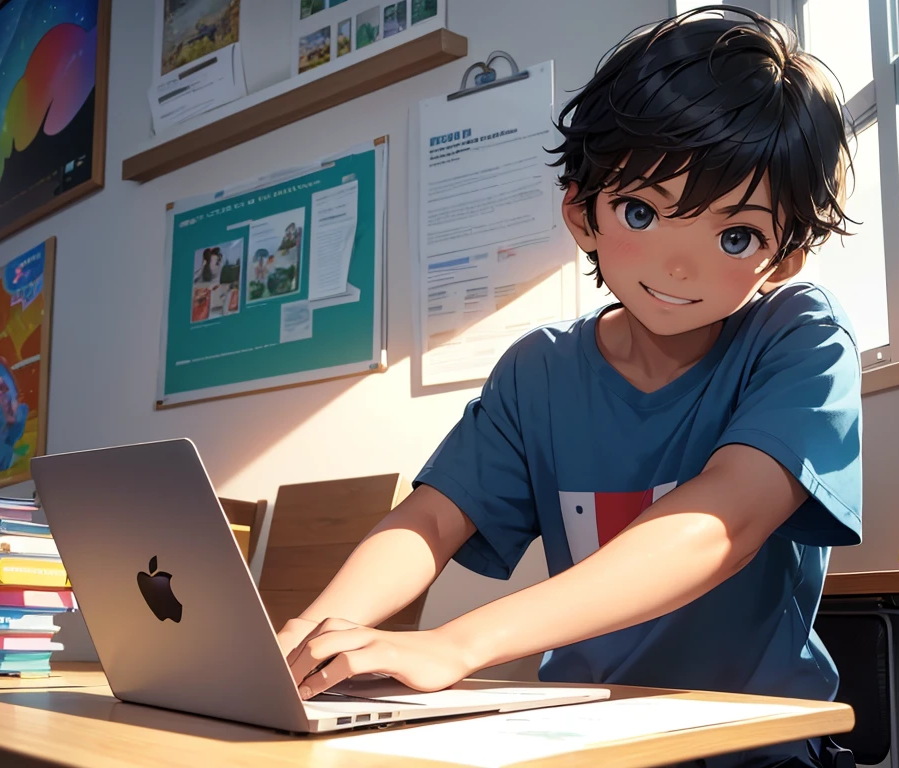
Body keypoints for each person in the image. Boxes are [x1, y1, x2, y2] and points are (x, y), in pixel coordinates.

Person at [277, 7, 862, 766]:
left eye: (735, 235)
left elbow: (722, 524)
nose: (679, 264)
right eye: (642, 211)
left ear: (785, 256)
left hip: (752, 744)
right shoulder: (539, 370)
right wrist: (309, 640)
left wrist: (460, 643)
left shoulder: (800, 335)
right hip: (582, 742)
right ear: (582, 214)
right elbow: (428, 521)